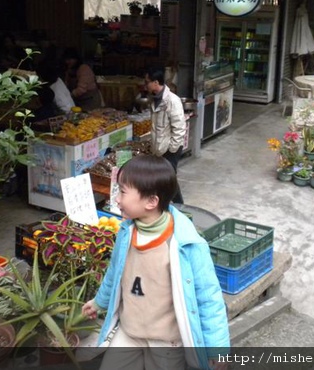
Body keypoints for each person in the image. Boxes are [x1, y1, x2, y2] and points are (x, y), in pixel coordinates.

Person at [82, 155, 229, 370]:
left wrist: (217, 348)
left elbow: (209, 299)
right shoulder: (126, 233)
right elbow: (114, 274)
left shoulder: (187, 245)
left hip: (166, 343)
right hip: (129, 333)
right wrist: (99, 303)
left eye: (122, 192)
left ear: (151, 202)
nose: (117, 200)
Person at [144, 66, 186, 204]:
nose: (145, 85)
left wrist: (172, 149)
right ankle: (164, 204)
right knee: (162, 178)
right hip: (159, 147)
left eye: (147, 82)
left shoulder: (172, 100)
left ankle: (180, 206)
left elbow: (179, 127)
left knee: (169, 179)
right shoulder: (153, 99)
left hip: (170, 149)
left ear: (156, 82)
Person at [62, 47, 103, 111]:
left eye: (70, 59)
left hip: (90, 101)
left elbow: (81, 89)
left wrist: (69, 95)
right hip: (78, 101)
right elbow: (66, 84)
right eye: (66, 59)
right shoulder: (69, 70)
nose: (67, 62)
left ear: (76, 59)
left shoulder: (84, 69)